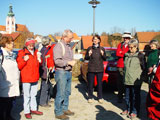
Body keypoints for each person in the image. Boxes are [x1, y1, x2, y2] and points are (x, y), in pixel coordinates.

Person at [16, 38, 43, 119]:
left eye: (33, 45)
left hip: (35, 77)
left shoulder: (36, 52)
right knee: (27, 96)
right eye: (29, 45)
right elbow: (19, 66)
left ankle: (33, 109)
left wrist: (39, 59)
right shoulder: (21, 53)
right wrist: (24, 60)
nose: (31, 47)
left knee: (34, 95)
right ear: (26, 45)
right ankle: (27, 111)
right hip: (26, 78)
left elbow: (39, 65)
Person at [53, 30, 76, 120]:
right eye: (70, 37)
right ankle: (58, 112)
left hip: (68, 72)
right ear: (64, 37)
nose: (71, 39)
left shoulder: (68, 46)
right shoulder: (59, 46)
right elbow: (57, 61)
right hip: (61, 72)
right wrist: (69, 62)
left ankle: (65, 108)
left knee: (67, 92)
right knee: (61, 93)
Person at [120, 39, 145, 119]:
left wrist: (141, 79)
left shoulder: (140, 56)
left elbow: (144, 68)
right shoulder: (126, 55)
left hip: (135, 81)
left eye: (132, 47)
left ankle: (134, 111)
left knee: (135, 97)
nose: (130, 49)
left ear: (136, 47)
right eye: (129, 47)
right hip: (127, 80)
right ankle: (127, 109)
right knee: (127, 96)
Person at [0, 36, 20, 120]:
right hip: (4, 84)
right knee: (3, 105)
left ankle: (8, 116)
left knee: (10, 103)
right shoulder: (1, 55)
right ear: (6, 44)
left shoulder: (11, 55)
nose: (13, 44)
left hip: (13, 83)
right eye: (11, 42)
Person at [84, 34, 106, 104]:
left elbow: (105, 58)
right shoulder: (89, 48)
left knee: (99, 84)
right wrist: (89, 54)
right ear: (92, 40)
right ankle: (90, 97)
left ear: (99, 40)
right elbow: (86, 58)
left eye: (96, 39)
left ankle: (100, 97)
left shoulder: (102, 48)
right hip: (91, 69)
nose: (95, 40)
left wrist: (103, 54)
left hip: (100, 69)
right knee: (90, 84)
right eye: (94, 39)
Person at [116, 31, 132, 103]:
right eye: (125, 38)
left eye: (127, 38)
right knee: (120, 83)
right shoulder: (120, 45)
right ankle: (120, 97)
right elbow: (117, 53)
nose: (126, 39)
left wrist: (121, 53)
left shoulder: (131, 46)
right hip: (120, 65)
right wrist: (124, 54)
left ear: (129, 38)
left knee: (126, 82)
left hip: (127, 66)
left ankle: (127, 97)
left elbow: (129, 54)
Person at [39, 36, 55, 107]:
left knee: (48, 86)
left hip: (47, 71)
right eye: (50, 41)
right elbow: (44, 62)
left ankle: (47, 100)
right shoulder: (44, 50)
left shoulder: (45, 49)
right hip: (45, 71)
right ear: (48, 42)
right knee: (45, 87)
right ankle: (43, 102)